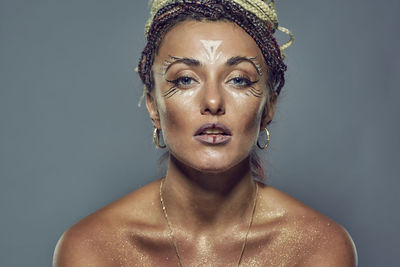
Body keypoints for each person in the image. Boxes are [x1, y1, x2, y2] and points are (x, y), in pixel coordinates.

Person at [53, 0, 357, 266]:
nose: (213, 102)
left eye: (239, 80)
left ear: (268, 107)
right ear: (153, 106)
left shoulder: (319, 248)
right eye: (185, 80)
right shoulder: (92, 249)